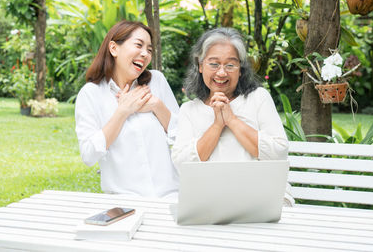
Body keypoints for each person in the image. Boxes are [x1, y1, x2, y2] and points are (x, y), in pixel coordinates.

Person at [171, 27, 294, 206]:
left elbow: (279, 151)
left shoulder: (258, 98)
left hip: (262, 198)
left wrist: (231, 120)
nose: (221, 73)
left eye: (230, 65)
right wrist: (217, 126)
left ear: (240, 69)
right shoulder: (188, 110)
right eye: (214, 64)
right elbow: (183, 166)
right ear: (200, 66)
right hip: (212, 202)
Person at [75, 20, 179, 197]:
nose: (145, 54)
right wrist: (123, 111)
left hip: (171, 197)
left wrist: (156, 105)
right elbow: (89, 154)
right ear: (114, 48)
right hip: (125, 204)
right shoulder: (91, 94)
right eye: (138, 45)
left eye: (149, 49)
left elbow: (183, 135)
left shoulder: (157, 81)